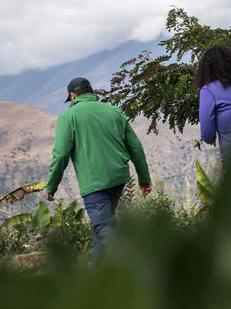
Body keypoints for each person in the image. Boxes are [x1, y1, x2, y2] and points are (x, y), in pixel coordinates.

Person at [45, 77, 152, 263]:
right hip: (118, 179)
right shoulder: (113, 111)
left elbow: (61, 155)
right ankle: (97, 276)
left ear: (72, 95)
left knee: (105, 229)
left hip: (94, 184)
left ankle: (137, 267)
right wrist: (144, 178)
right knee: (100, 228)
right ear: (91, 91)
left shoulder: (68, 117)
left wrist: (51, 186)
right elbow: (135, 147)